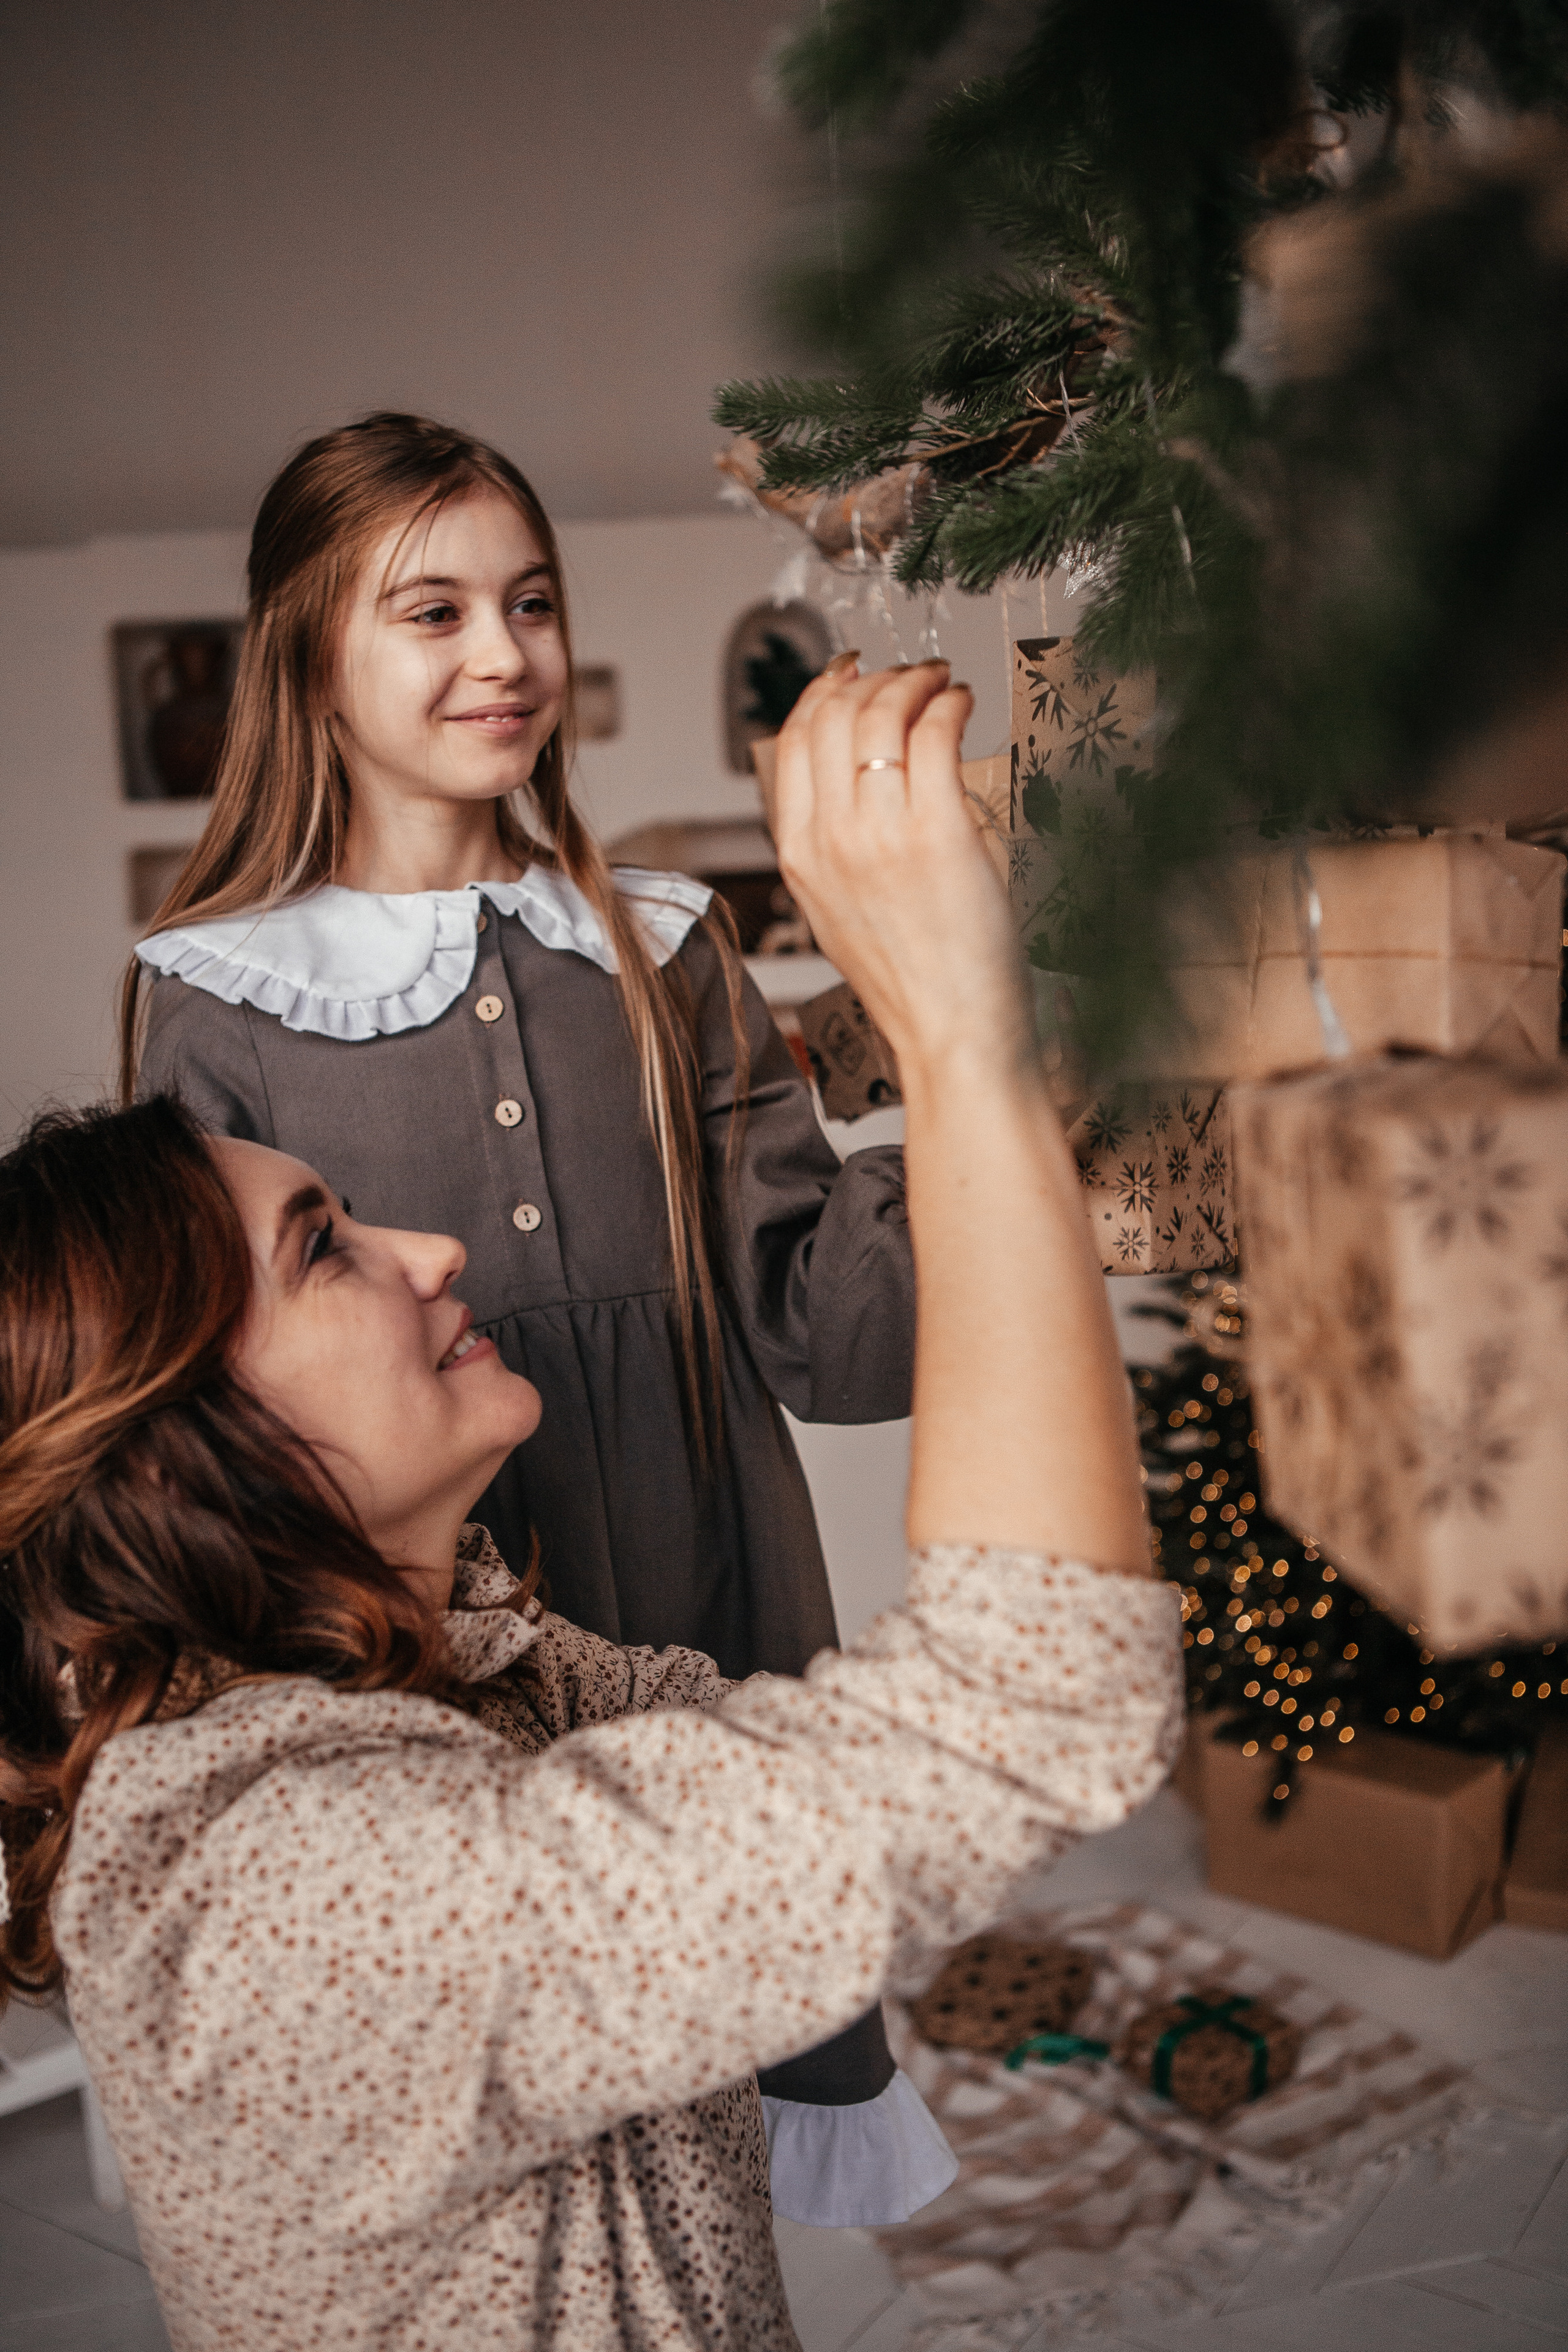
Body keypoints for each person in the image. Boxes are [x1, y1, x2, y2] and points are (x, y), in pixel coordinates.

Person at [1, 657, 1179, 2351]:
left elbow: (813, 1743)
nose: (434, 1247)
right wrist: (963, 1037)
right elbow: (1027, 1699)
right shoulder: (295, 1896)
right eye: (325, 1244)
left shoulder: (472, 1674)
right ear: (175, 1427)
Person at [123, 410, 922, 2181]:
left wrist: (971, 1086)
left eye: (533, 600)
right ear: (307, 656)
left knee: (713, 2107)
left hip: (713, 1602)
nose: (505, 653)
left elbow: (824, 1330)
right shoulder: (220, 999)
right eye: (435, 611)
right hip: (425, 1675)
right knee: (515, 2154)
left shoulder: (661, 948)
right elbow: (217, 1414)